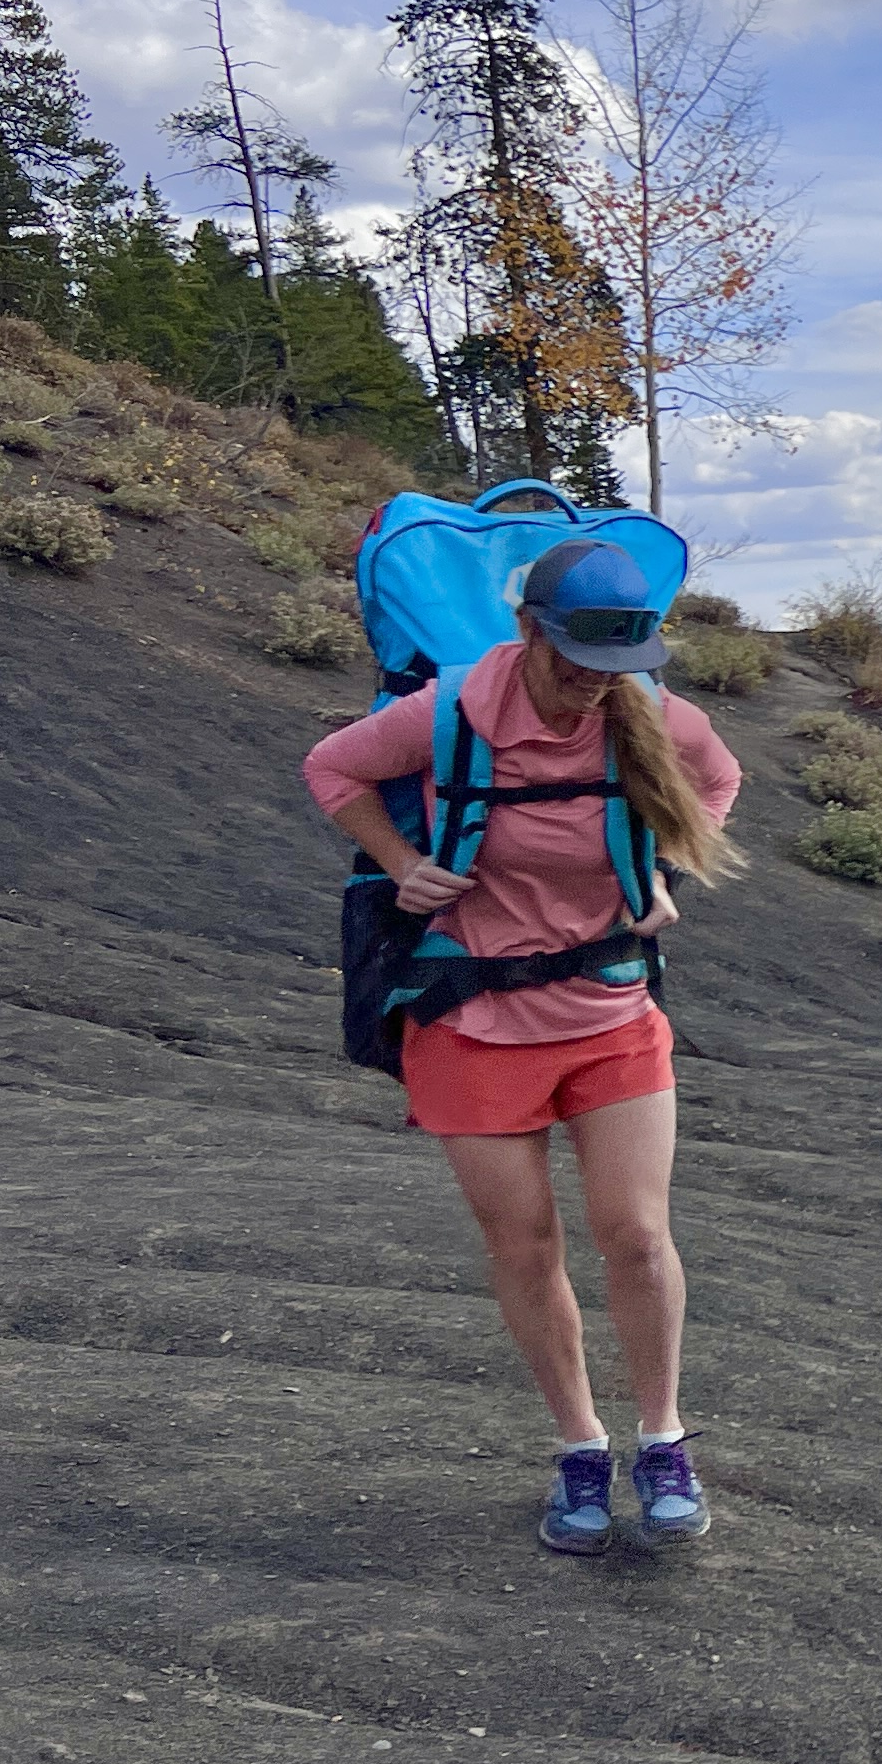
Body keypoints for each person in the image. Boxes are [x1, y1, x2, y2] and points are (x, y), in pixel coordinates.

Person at [303, 536, 745, 1555]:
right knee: (526, 1246)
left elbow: (717, 781)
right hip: (468, 1019)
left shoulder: (653, 718)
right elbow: (332, 766)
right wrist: (401, 861)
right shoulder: (452, 713)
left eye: (616, 669)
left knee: (634, 1232)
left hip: (609, 1010)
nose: (594, 689)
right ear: (529, 632)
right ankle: (579, 1450)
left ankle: (663, 1441)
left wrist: (663, 866)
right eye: (576, 663)